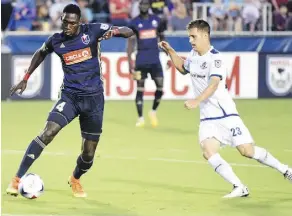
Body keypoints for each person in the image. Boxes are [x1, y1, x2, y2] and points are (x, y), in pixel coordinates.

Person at [6, 3, 134, 198]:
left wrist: (114, 31)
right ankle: (16, 179)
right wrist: (26, 78)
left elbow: (129, 31)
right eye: (64, 22)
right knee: (48, 132)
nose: (67, 26)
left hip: (94, 100)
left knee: (89, 153)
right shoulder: (56, 41)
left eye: (71, 23)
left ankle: (75, 178)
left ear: (79, 22)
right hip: (70, 97)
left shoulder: (93, 31)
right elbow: (40, 53)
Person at [158, 19, 292, 198]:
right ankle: (239, 186)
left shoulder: (216, 58)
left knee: (247, 151)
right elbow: (183, 68)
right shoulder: (194, 55)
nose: (190, 40)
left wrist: (196, 100)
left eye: (193, 36)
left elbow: (214, 84)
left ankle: (285, 170)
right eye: (189, 36)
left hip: (226, 115)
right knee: (208, 151)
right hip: (207, 117)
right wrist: (170, 51)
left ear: (205, 36)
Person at [127, 0, 165, 127]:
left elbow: (163, 39)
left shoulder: (157, 21)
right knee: (139, 89)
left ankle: (153, 111)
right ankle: (140, 118)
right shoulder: (134, 23)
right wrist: (129, 62)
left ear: (149, 6)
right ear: (139, 7)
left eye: (146, 4)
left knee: (160, 86)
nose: (143, 6)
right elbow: (130, 43)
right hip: (140, 61)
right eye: (141, 5)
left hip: (155, 60)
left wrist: (169, 56)